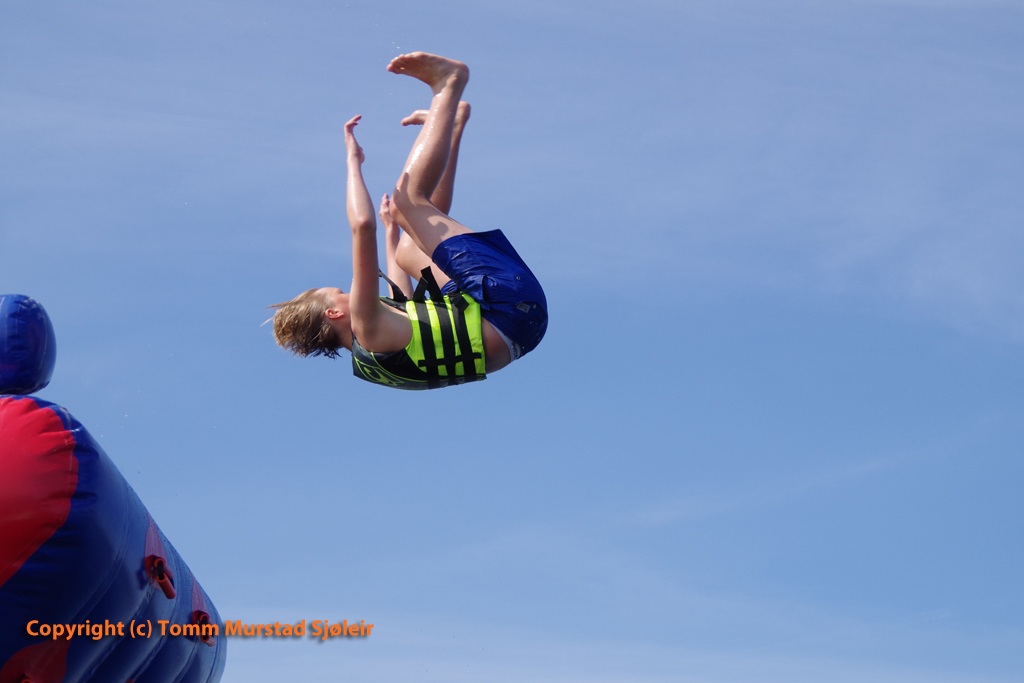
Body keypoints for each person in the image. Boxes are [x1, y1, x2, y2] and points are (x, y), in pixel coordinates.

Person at [271, 52, 547, 390]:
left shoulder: (374, 351)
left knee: (408, 247)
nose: (348, 292)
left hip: (521, 328)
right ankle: (448, 85)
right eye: (339, 293)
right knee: (407, 203)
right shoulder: (365, 322)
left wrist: (392, 234)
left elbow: (402, 294)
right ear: (334, 313)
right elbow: (362, 225)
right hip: (507, 307)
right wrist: (352, 162)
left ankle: (452, 124)